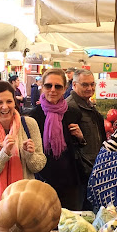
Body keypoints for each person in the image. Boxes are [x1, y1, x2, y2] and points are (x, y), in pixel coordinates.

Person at [0, 81, 46, 205]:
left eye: (9, 101)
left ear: (14, 102)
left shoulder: (29, 124)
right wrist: (4, 153)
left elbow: (39, 166)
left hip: (27, 200)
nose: (5, 107)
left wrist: (30, 154)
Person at [29, 68, 87, 210]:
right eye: (48, 85)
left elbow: (80, 147)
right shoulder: (33, 117)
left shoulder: (73, 113)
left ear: (64, 89)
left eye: (58, 86)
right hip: (42, 180)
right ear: (42, 87)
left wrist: (80, 138)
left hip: (69, 180)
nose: (53, 90)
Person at [66, 68, 106, 164]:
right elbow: (69, 144)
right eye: (85, 85)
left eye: (92, 84)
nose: (90, 88)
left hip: (94, 163)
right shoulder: (70, 107)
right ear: (74, 85)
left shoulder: (89, 105)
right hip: (82, 166)